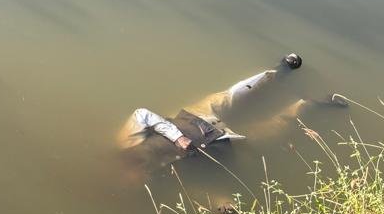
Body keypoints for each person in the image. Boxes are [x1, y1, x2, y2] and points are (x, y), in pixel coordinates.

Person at [118, 53, 345, 154]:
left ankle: (279, 72)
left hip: (195, 118)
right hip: (221, 142)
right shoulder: (152, 178)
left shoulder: (125, 144)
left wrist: (176, 137)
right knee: (274, 128)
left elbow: (142, 114)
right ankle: (311, 104)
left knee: (231, 95)